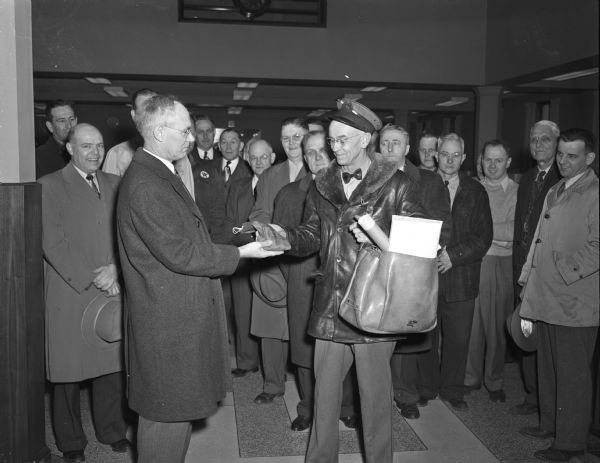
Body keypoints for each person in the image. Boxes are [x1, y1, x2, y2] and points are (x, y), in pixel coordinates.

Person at [116, 94, 281, 463]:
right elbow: (207, 231)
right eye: (186, 129)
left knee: (175, 416)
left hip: (186, 300)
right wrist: (242, 247)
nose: (192, 137)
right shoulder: (148, 181)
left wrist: (256, 235)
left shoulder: (158, 173)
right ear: (160, 131)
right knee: (167, 420)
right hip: (172, 315)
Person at [273, 100, 425, 463]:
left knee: (374, 402)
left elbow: (420, 245)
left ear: (365, 139)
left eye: (342, 141)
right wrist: (284, 238)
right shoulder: (322, 181)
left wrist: (378, 237)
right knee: (324, 400)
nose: (333, 148)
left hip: (373, 304)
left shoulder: (397, 182)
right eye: (331, 141)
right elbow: (312, 234)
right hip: (331, 303)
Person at [39, 123, 128, 462]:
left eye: (99, 146)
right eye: (86, 146)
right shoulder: (49, 186)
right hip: (70, 290)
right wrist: (95, 278)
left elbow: (127, 234)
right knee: (67, 373)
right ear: (70, 149)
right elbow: (53, 243)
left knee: (110, 364)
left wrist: (116, 268)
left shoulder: (116, 184)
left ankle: (113, 432)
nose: (94, 153)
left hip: (111, 286)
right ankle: (71, 442)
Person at [518, 128, 599, 462]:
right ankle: (550, 424)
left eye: (572, 156)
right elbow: (538, 237)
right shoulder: (556, 188)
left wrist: (564, 271)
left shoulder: (595, 192)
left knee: (572, 374)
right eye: (561, 154)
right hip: (546, 295)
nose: (563, 161)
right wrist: (527, 276)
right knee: (548, 367)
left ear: (589, 158)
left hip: (575, 300)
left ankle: (570, 442)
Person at [273, 130, 357, 432]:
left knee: (343, 342)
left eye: (323, 150)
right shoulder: (289, 194)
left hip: (342, 280)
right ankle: (307, 408)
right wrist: (295, 280)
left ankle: (346, 406)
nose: (318, 156)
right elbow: (282, 242)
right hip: (303, 281)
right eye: (310, 152)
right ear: (303, 157)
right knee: (305, 349)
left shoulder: (350, 189)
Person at [379, 124, 451, 420]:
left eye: (396, 143)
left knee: (405, 332)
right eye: (385, 143)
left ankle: (405, 395)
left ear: (407, 148)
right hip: (377, 264)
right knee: (377, 330)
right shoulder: (370, 176)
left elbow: (442, 226)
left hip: (412, 267)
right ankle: (377, 395)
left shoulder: (430, 181)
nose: (390, 148)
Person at [420, 133, 493, 410]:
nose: (449, 160)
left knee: (458, 337)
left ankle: (452, 389)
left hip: (461, 275)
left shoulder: (475, 191)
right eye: (445, 154)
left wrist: (453, 255)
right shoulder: (421, 185)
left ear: (463, 158)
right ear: (436, 155)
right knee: (426, 334)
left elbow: (483, 237)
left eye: (455, 155)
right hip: (426, 274)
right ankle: (426, 386)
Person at [248, 117, 308, 404]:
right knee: (270, 327)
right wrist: (266, 229)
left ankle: (312, 393)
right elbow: (258, 211)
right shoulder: (271, 175)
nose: (292, 142)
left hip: (308, 260)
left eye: (297, 137)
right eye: (286, 138)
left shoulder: (321, 170)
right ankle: (273, 385)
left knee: (307, 327)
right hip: (273, 257)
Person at [512, 120, 561, 415]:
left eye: (545, 139)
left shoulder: (563, 176)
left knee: (547, 338)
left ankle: (548, 399)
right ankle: (532, 395)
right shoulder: (528, 178)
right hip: (522, 267)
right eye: (533, 140)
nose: (538, 144)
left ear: (557, 142)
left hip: (549, 271)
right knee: (524, 329)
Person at [464, 140, 518, 402]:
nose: (493, 165)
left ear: (508, 162)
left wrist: (482, 230)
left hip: (500, 264)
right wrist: (494, 231)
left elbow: (512, 232)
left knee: (497, 325)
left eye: (499, 160)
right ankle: (470, 378)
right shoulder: (472, 188)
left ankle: (494, 380)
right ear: (480, 161)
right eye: (488, 159)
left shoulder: (518, 191)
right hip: (474, 262)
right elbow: (464, 227)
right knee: (472, 325)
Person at [226, 139, 275, 378]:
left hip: (272, 259)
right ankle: (246, 361)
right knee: (242, 310)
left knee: (268, 313)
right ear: (246, 158)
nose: (258, 162)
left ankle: (272, 367)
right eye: (254, 157)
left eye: (263, 157)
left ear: (272, 158)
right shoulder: (238, 186)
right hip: (243, 256)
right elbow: (230, 222)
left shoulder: (282, 183)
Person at [102, 88, 157, 176]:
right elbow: (107, 189)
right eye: (144, 111)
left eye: (153, 110)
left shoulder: (176, 153)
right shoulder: (117, 154)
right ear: (133, 115)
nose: (149, 117)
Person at [36, 100, 77, 178]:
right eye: (62, 121)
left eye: (71, 119)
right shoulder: (39, 158)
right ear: (50, 127)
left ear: (76, 121)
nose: (69, 125)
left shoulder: (88, 152)